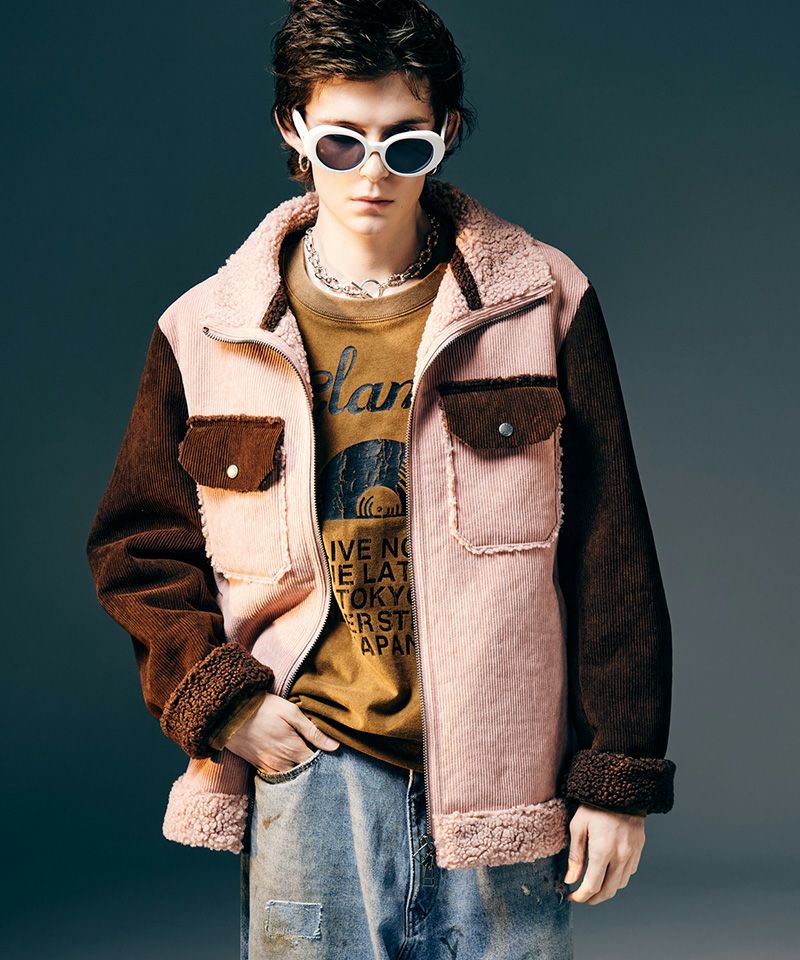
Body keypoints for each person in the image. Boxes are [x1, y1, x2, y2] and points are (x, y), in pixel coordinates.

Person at [85, 1, 676, 957]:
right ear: (292, 129)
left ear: (445, 133)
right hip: (311, 774)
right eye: (341, 140)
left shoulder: (542, 302)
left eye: (404, 144)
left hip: (504, 775)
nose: (372, 172)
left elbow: (611, 547)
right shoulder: (206, 329)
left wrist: (619, 773)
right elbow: (137, 548)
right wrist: (224, 702)